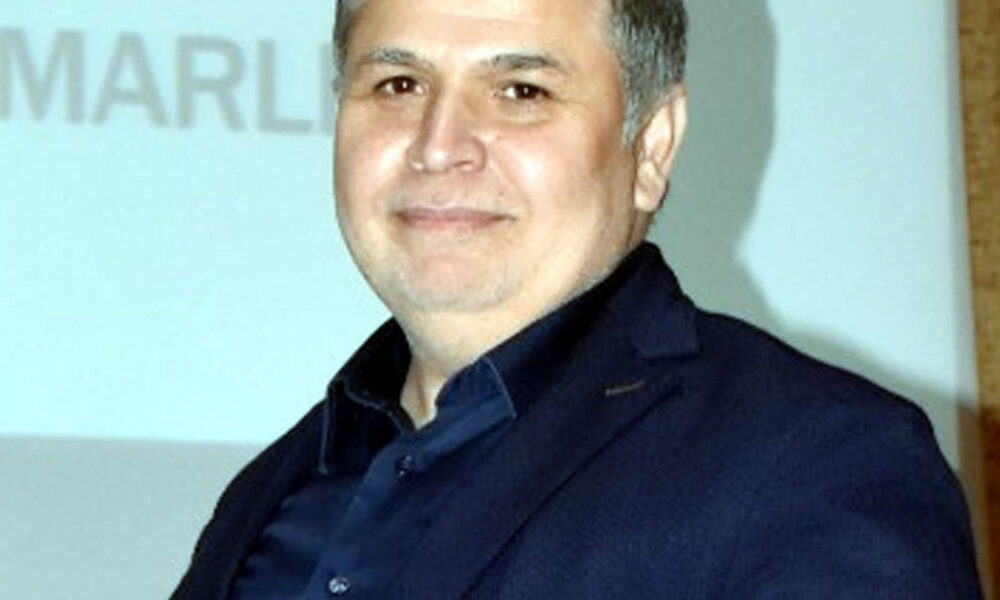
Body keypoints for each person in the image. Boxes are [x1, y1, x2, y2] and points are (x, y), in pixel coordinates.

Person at [172, 0, 983, 597]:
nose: (438, 145)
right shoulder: (274, 487)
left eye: (521, 91)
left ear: (653, 146)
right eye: (398, 83)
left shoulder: (820, 464)